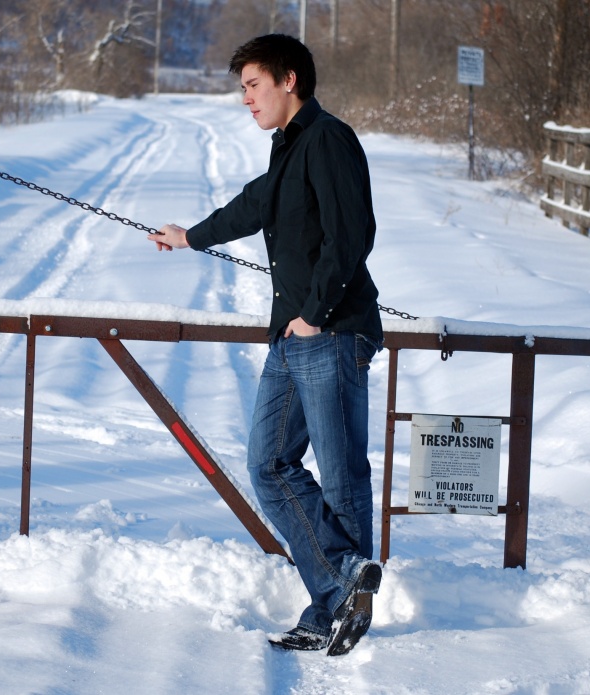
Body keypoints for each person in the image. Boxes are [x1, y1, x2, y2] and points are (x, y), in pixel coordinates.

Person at [148, 33, 383, 657]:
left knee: (340, 476)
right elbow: (255, 205)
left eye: (253, 86)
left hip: (326, 332)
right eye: (244, 89)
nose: (246, 100)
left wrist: (314, 313)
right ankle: (340, 587)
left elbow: (352, 233)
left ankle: (338, 605)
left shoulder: (328, 139)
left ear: (289, 82)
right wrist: (190, 236)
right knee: (269, 464)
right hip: (294, 335)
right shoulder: (291, 147)